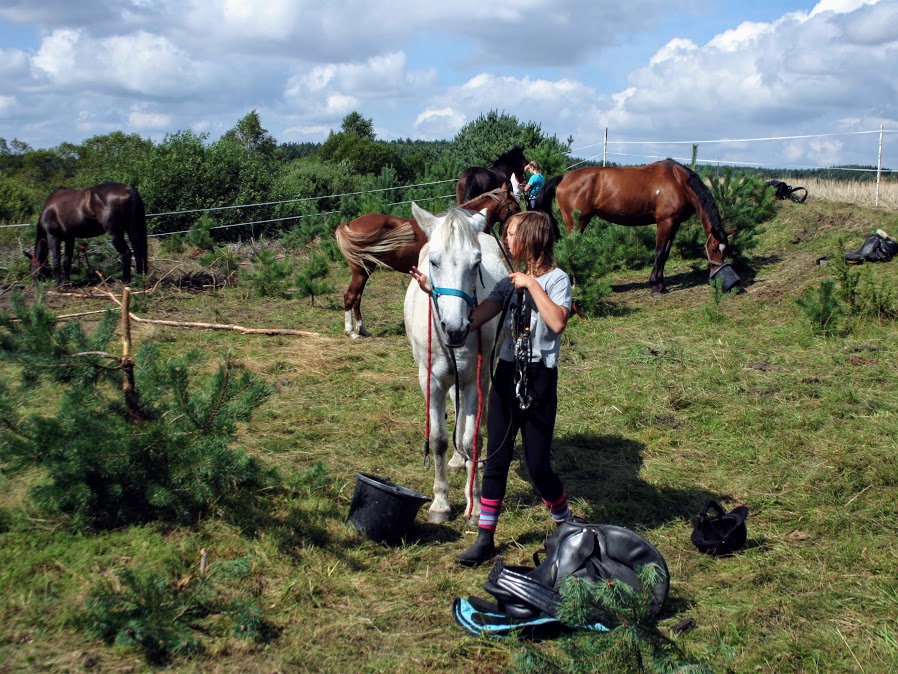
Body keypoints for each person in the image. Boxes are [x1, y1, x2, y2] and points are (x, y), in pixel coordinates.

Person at [409, 210, 573, 567]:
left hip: (540, 379)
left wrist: (531, 285)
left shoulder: (558, 280)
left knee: (537, 465)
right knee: (496, 458)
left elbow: (558, 321)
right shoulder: (506, 284)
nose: (506, 240)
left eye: (512, 234)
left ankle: (566, 523)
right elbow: (473, 321)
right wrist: (434, 292)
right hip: (507, 375)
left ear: (531, 239)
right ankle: (485, 538)